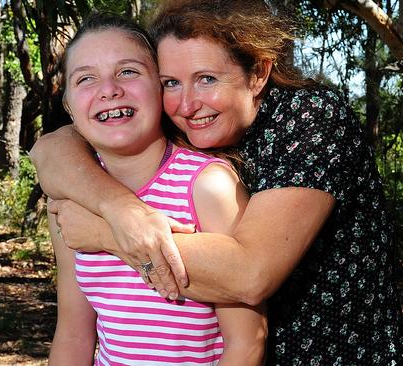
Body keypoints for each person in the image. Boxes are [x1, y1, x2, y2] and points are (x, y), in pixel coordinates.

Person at [32, 0, 403, 364]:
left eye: (207, 79)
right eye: (172, 83)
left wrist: (106, 231)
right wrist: (115, 207)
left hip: (330, 353)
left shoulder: (309, 120)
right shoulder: (168, 131)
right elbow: (51, 149)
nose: (186, 105)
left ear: (258, 73)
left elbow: (250, 276)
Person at [42, 12, 266, 366]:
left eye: (128, 72)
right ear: (69, 105)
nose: (109, 90)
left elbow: (247, 343)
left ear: (160, 87)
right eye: (86, 79)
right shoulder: (70, 204)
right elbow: (73, 334)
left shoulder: (207, 185)